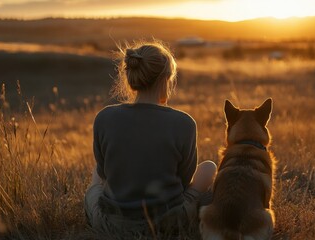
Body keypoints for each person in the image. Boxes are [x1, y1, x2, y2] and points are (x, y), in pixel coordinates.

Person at [84, 40, 217, 237]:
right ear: (166, 79)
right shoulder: (184, 123)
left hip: (112, 223)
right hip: (169, 222)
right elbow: (183, 180)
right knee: (209, 168)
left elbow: (104, 174)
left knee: (96, 176)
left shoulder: (104, 117)